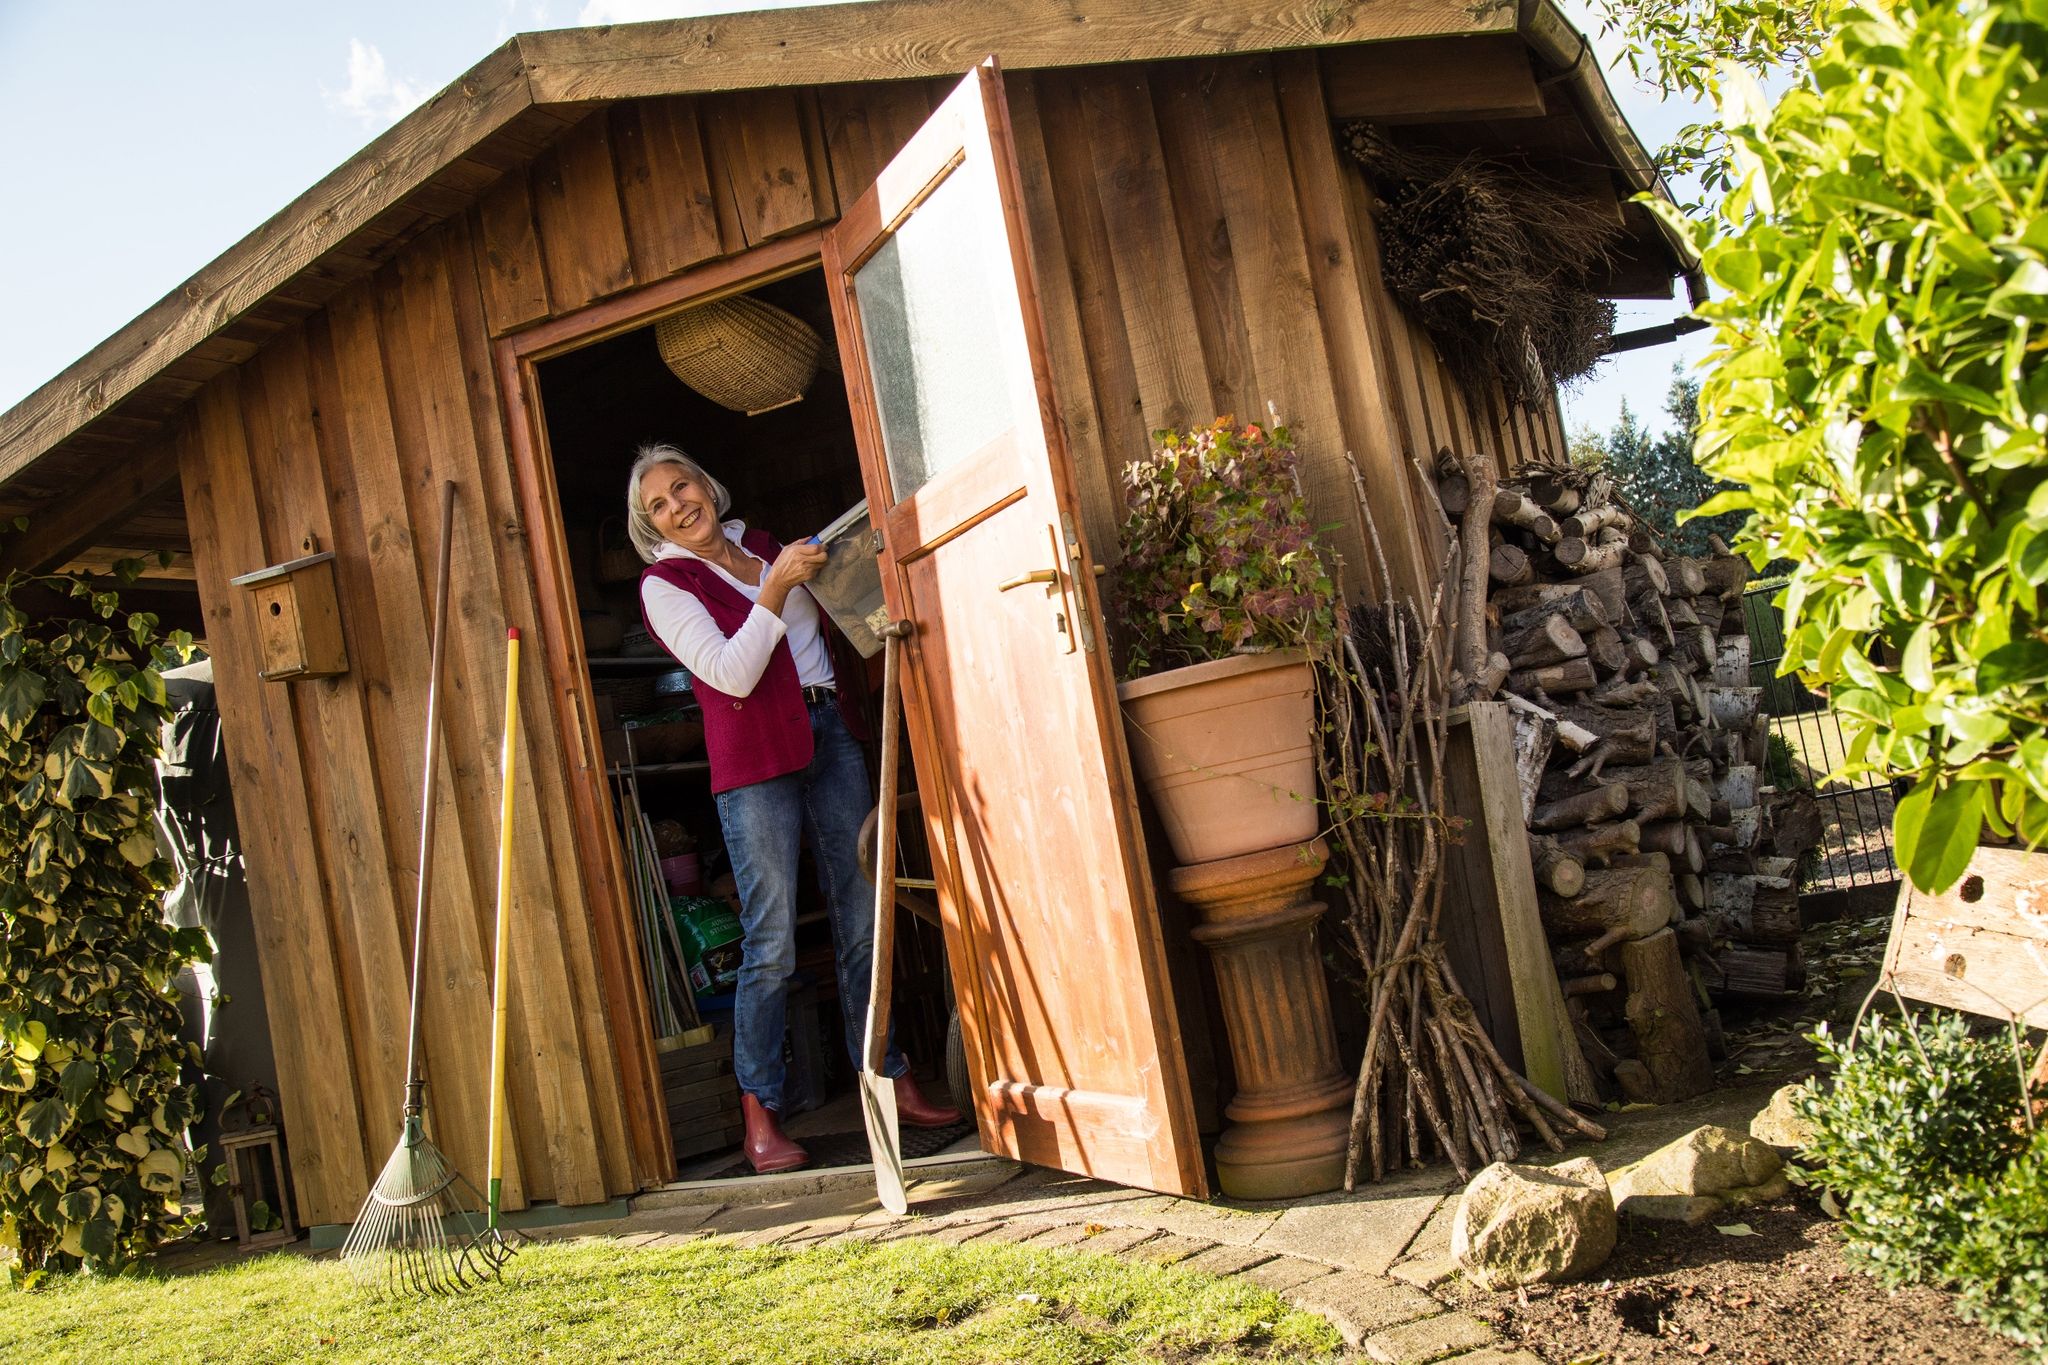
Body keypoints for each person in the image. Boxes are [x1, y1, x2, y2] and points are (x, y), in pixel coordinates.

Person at [628, 443, 959, 1173]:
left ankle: (889, 1076)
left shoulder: (766, 545)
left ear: (707, 483)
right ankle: (761, 1113)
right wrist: (774, 589)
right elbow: (729, 671)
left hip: (831, 735)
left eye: (683, 483)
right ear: (651, 525)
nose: (679, 503)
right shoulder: (666, 585)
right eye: (658, 503)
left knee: (862, 917)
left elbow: (843, 621)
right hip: (754, 766)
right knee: (770, 939)